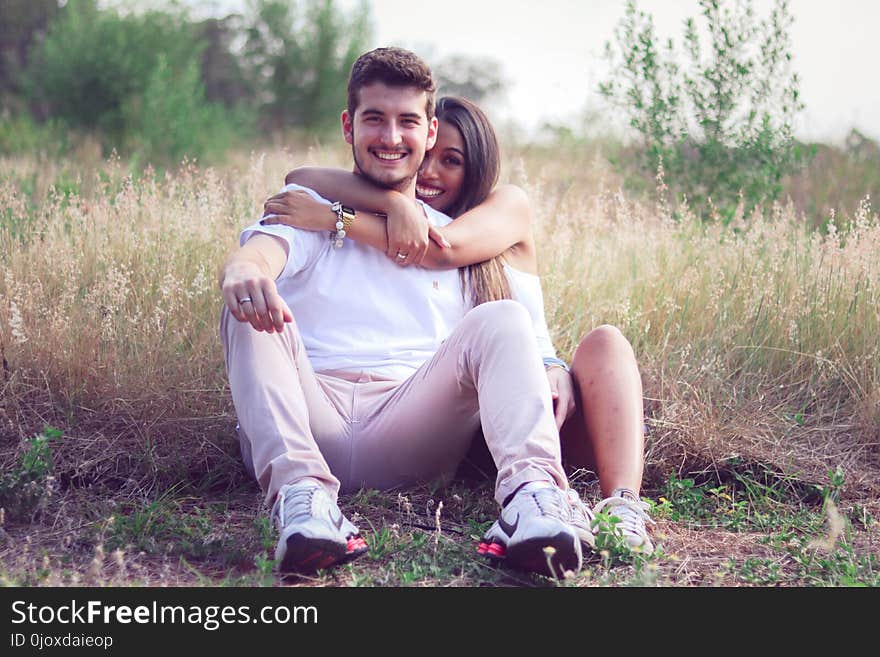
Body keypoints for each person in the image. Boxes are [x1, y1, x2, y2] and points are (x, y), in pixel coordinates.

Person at [219, 47, 596, 578]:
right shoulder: (305, 208)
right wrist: (242, 268)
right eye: (375, 119)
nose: (391, 138)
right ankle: (302, 501)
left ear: (430, 129)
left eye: (407, 122)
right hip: (312, 412)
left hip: (411, 421)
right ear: (349, 126)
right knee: (250, 300)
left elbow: (434, 247)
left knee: (501, 318)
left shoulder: (447, 233)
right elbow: (264, 249)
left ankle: (532, 498)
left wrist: (377, 210)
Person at [261, 96, 655, 554]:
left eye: (452, 161)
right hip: (469, 416)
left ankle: (623, 504)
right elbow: (302, 178)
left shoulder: (505, 207)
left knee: (606, 342)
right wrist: (393, 201)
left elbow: (442, 248)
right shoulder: (400, 214)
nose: (430, 172)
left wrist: (337, 218)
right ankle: (533, 495)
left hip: (532, 385)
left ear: (477, 167)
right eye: (427, 156)